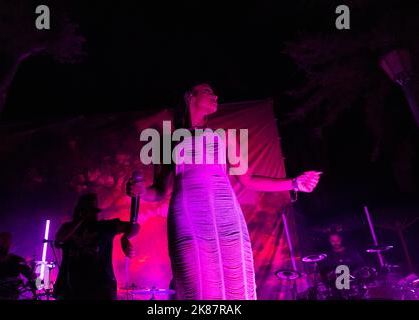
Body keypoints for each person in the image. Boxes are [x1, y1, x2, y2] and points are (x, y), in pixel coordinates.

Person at [127, 83, 322, 300]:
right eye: (208, 91)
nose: (216, 96)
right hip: (187, 214)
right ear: (190, 97)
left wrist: (294, 183)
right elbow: (160, 190)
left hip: (225, 212)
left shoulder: (224, 136)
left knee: (234, 278)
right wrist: (142, 191)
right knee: (196, 280)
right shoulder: (167, 141)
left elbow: (248, 179)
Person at [53, 193, 139, 300]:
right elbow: (59, 239)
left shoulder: (105, 226)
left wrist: (125, 238)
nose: (90, 214)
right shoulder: (68, 228)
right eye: (86, 209)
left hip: (101, 287)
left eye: (93, 210)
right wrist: (80, 219)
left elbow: (134, 226)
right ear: (79, 210)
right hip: (73, 288)